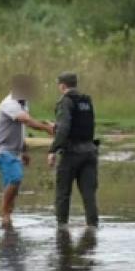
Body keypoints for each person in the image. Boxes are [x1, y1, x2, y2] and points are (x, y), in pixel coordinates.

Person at [0, 74, 54, 228]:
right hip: (0, 148)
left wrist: (23, 150)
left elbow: (20, 129)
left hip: (13, 150)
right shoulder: (9, 104)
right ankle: (4, 214)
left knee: (12, 185)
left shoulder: (23, 103)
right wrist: (47, 129)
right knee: (16, 178)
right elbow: (27, 121)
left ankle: (7, 218)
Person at [47, 72, 99, 229]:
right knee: (89, 194)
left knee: (63, 193)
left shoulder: (66, 101)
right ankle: (93, 227)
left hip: (71, 153)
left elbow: (65, 128)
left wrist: (53, 150)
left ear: (62, 86)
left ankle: (61, 229)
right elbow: (84, 124)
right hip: (90, 152)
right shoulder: (86, 101)